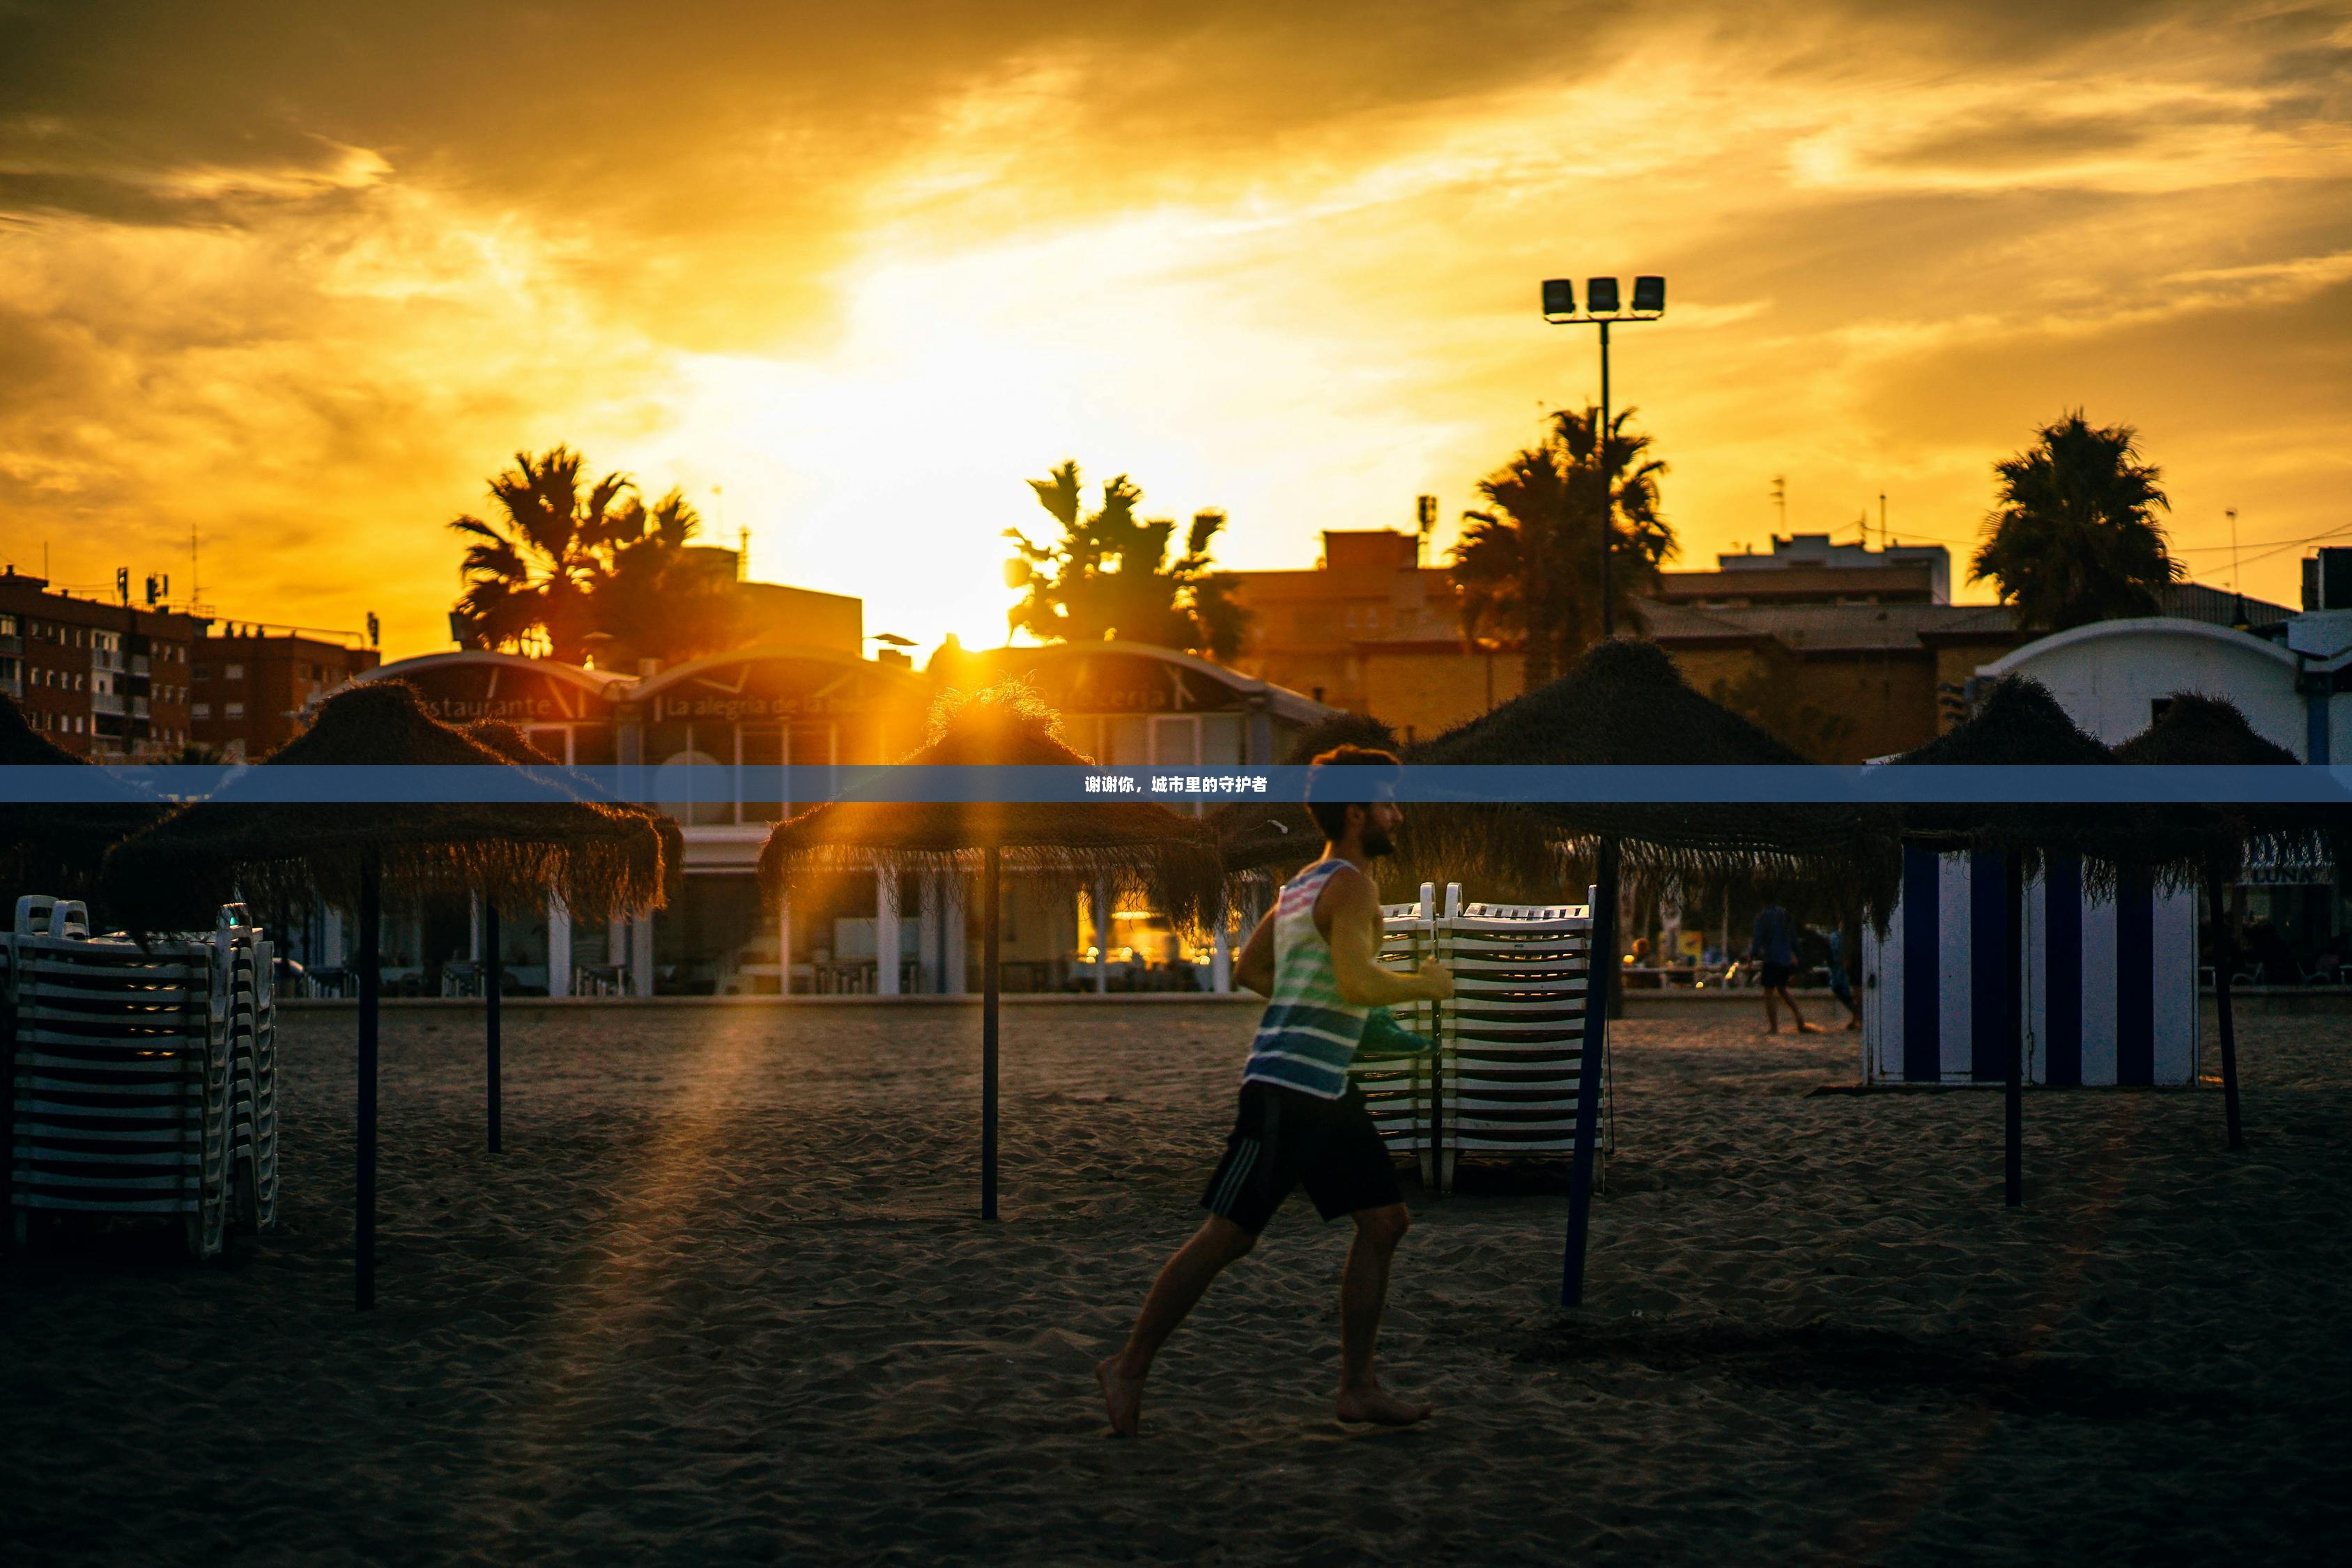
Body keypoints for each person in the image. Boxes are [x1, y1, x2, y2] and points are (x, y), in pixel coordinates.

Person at [1096, 746, 1454, 1437]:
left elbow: (1253, 966)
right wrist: (1423, 986)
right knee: (1228, 1236)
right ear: (1358, 813)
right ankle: (1128, 1364)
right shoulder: (1351, 884)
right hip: (1290, 1089)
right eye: (1387, 803)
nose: (1397, 814)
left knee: (1385, 1221)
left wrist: (1330, 1014)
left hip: (1324, 1085)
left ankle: (1358, 1387)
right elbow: (1356, 981)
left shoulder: (1303, 883)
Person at [1750, 900, 1817, 1036]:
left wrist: (1751, 957)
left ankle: (1774, 1027)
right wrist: (1799, 959)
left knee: (1769, 992)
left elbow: (1758, 939)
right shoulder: (1785, 916)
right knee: (1782, 989)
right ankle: (1799, 1018)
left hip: (1771, 959)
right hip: (1785, 960)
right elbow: (1793, 940)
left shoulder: (1763, 917)